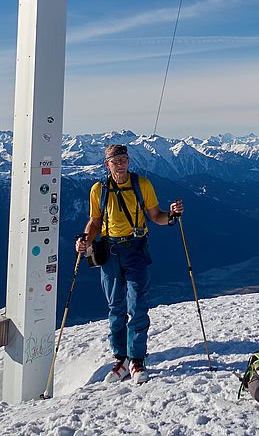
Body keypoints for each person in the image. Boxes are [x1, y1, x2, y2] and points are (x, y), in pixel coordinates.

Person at [75, 143, 184, 384]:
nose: (121, 164)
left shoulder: (142, 184)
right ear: (107, 164)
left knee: (137, 305)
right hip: (110, 251)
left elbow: (156, 216)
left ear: (128, 161)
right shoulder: (98, 190)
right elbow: (94, 222)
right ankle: (121, 359)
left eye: (124, 159)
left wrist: (173, 215)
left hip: (135, 249)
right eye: (116, 160)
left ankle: (136, 359)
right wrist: (84, 240)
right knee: (116, 308)